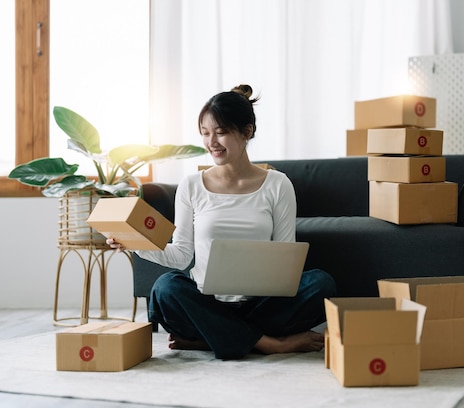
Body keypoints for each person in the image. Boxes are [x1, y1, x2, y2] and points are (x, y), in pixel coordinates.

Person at [107, 84, 337, 360]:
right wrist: (134, 244)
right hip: (205, 302)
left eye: (221, 132)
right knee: (166, 289)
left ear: (247, 132)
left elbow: (285, 256)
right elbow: (181, 256)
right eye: (205, 133)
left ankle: (212, 339)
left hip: (261, 304)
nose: (211, 142)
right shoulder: (191, 186)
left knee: (321, 284)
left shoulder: (278, 184)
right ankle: (269, 344)